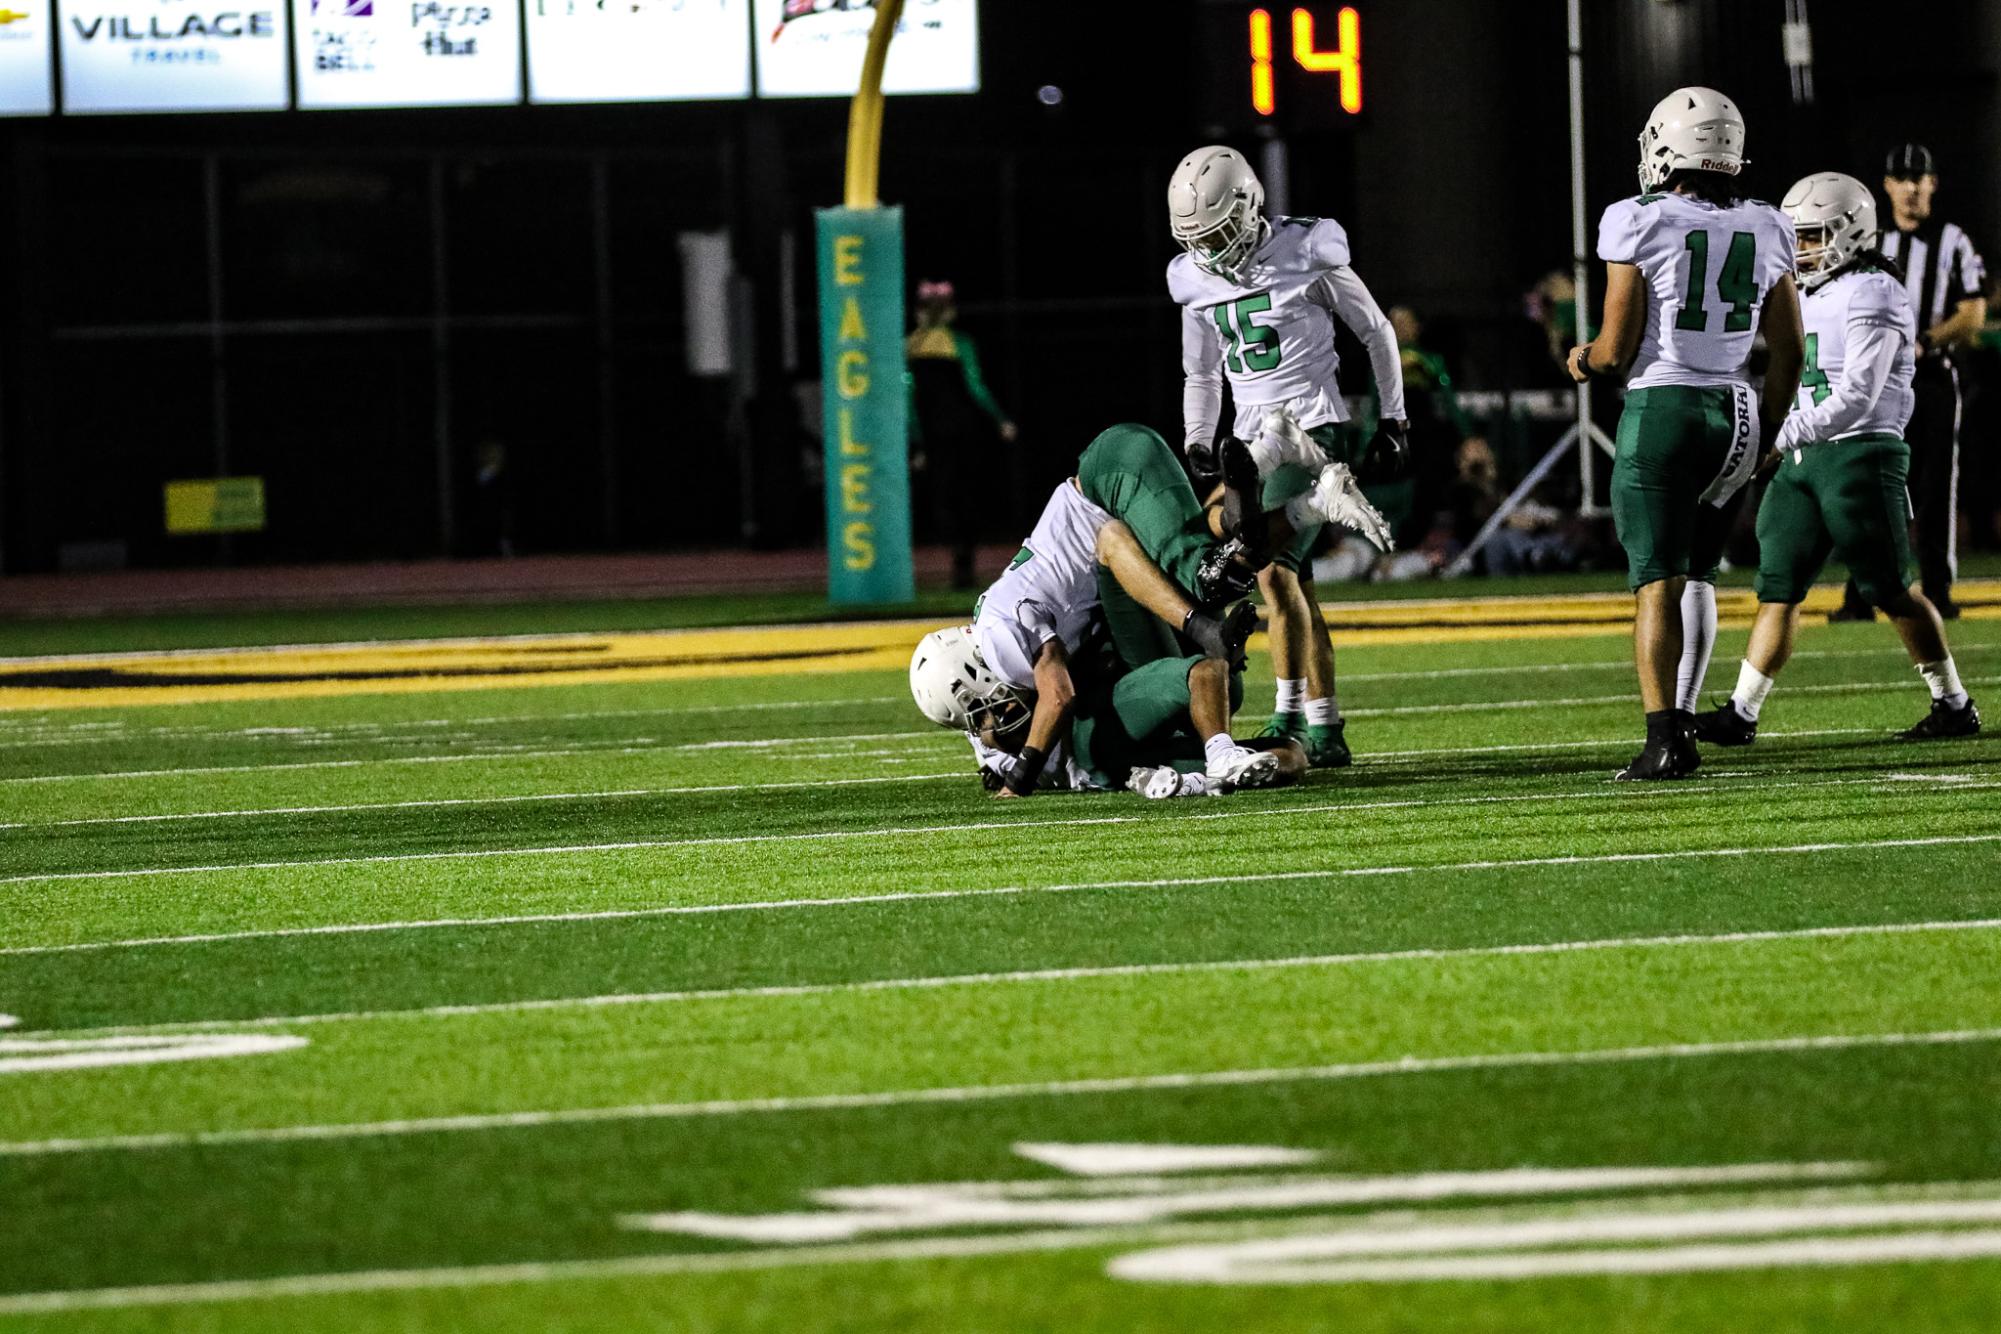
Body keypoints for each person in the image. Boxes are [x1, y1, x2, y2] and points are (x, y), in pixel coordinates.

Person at [1567, 86, 1805, 780]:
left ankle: (1663, 737)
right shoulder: (1767, 222)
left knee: (1655, 583)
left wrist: (1580, 359)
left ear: (1664, 147)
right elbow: (1788, 349)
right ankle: (1687, 713)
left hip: (1664, 408)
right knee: (1697, 572)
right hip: (1736, 408)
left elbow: (1614, 351)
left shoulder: (1635, 218)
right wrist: (1770, 429)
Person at [1693, 173, 1979, 745]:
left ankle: (1953, 702)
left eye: (1813, 235)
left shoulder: (1875, 289)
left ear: (1851, 233)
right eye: (1796, 237)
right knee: (1779, 583)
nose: (1801, 249)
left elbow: (1857, 397)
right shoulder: (1807, 290)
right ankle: (1743, 713)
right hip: (1803, 455)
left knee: (1891, 587)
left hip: (1860, 452)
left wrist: (1774, 435)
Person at [1166, 145, 1409, 770]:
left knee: (1268, 571)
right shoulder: (1193, 278)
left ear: (1249, 206)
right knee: (1290, 581)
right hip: (1249, 439)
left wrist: (1394, 418)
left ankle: (1289, 712)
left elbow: (1376, 330)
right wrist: (1197, 437)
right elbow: (1201, 370)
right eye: (1201, 239)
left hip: (1312, 426)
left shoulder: (1306, 250)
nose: (1213, 251)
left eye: (1221, 232)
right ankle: (1324, 724)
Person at [1830, 145, 1989, 621]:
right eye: (1903, 178)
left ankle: (1937, 591)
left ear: (1933, 184)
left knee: (1935, 487)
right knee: (1870, 487)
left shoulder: (1953, 241)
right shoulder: (1870, 242)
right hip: (1875, 383)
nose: (1913, 187)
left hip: (1932, 378)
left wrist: (1922, 339)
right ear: (1887, 186)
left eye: (1920, 178)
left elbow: (1973, 314)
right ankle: (1863, 593)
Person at [907, 280, 1018, 590]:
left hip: (937, 432)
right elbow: (976, 386)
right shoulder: (960, 343)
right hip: (962, 429)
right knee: (964, 495)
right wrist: (1000, 420)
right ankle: (963, 561)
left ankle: (961, 558)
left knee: (945, 496)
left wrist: (917, 441)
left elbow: (909, 399)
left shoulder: (910, 346)